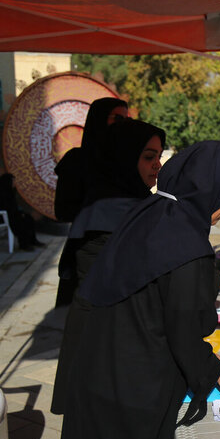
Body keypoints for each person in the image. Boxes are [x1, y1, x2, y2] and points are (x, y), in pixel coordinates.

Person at [58, 142, 220, 439]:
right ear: (212, 187)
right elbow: (182, 328)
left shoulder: (153, 212)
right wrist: (218, 371)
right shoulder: (187, 242)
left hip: (100, 370)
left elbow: (155, 290)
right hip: (132, 392)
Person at [50, 119, 165, 415]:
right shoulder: (107, 212)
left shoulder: (135, 202)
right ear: (125, 158)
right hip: (101, 348)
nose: (158, 165)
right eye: (149, 157)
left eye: (159, 157)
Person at [53, 97, 128, 306]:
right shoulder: (77, 161)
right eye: (118, 118)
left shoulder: (128, 161)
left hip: (124, 254)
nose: (123, 124)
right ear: (99, 119)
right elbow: (63, 210)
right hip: (89, 250)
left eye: (126, 119)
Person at [0, 173, 44, 251]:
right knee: (21, 222)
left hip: (8, 214)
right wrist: (18, 214)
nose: (14, 183)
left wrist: (20, 213)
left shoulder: (8, 191)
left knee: (28, 218)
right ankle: (24, 245)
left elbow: (12, 206)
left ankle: (32, 240)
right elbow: (4, 207)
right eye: (13, 181)